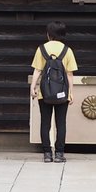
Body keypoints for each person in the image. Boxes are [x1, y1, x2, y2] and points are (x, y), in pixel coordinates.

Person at [29, 20, 78, 163]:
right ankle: (59, 154)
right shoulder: (67, 51)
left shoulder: (41, 49)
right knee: (60, 123)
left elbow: (37, 70)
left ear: (48, 34)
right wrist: (71, 93)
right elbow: (69, 74)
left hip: (45, 92)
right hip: (62, 92)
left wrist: (33, 87)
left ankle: (47, 154)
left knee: (45, 123)